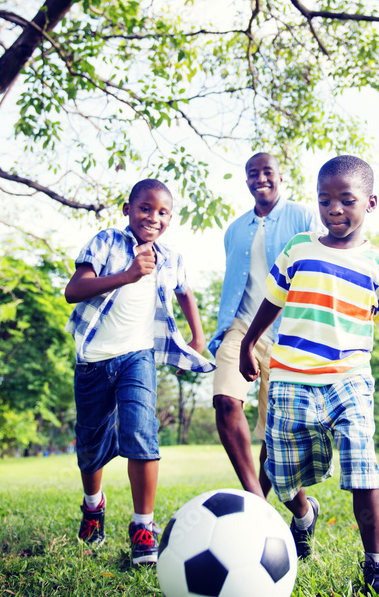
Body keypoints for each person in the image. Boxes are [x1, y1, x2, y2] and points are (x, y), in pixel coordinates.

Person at [239, 155, 379, 596]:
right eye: (325, 200)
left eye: (347, 200)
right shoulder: (299, 249)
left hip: (349, 379)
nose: (335, 210)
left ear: (371, 202)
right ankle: (304, 516)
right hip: (289, 376)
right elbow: (271, 301)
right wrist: (248, 344)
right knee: (281, 472)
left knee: (363, 464)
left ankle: (377, 567)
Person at [65, 178, 213, 567]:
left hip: (138, 356)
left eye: (163, 212)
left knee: (141, 431)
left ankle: (142, 526)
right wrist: (128, 274)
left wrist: (197, 334)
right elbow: (74, 290)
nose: (153, 217)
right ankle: (93, 507)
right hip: (93, 358)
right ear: (128, 209)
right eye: (145, 208)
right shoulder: (106, 242)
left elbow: (185, 291)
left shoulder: (171, 257)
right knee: (91, 443)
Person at [209, 152, 321, 499]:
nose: (261, 179)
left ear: (280, 176)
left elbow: (316, 271)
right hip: (241, 327)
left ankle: (293, 511)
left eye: (267, 172)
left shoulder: (302, 216)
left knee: (275, 434)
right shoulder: (234, 230)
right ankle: (254, 499)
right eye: (253, 174)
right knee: (226, 401)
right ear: (246, 181)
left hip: (288, 333)